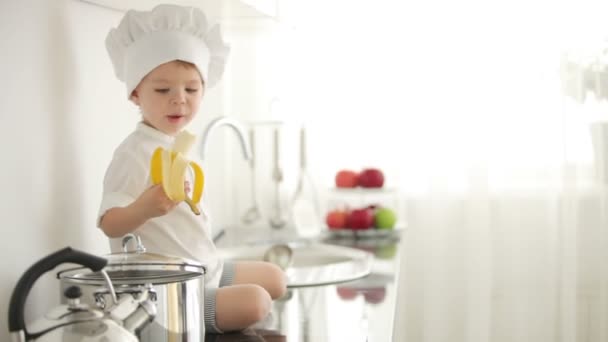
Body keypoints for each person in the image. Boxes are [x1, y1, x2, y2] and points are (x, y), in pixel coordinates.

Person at [99, 4, 287, 333]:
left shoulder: (179, 143)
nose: (179, 99)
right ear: (135, 94)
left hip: (203, 266)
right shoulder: (133, 152)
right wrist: (144, 208)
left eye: (191, 88)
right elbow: (109, 223)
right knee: (257, 302)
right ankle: (194, 312)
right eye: (162, 90)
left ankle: (215, 291)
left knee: (276, 279)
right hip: (166, 291)